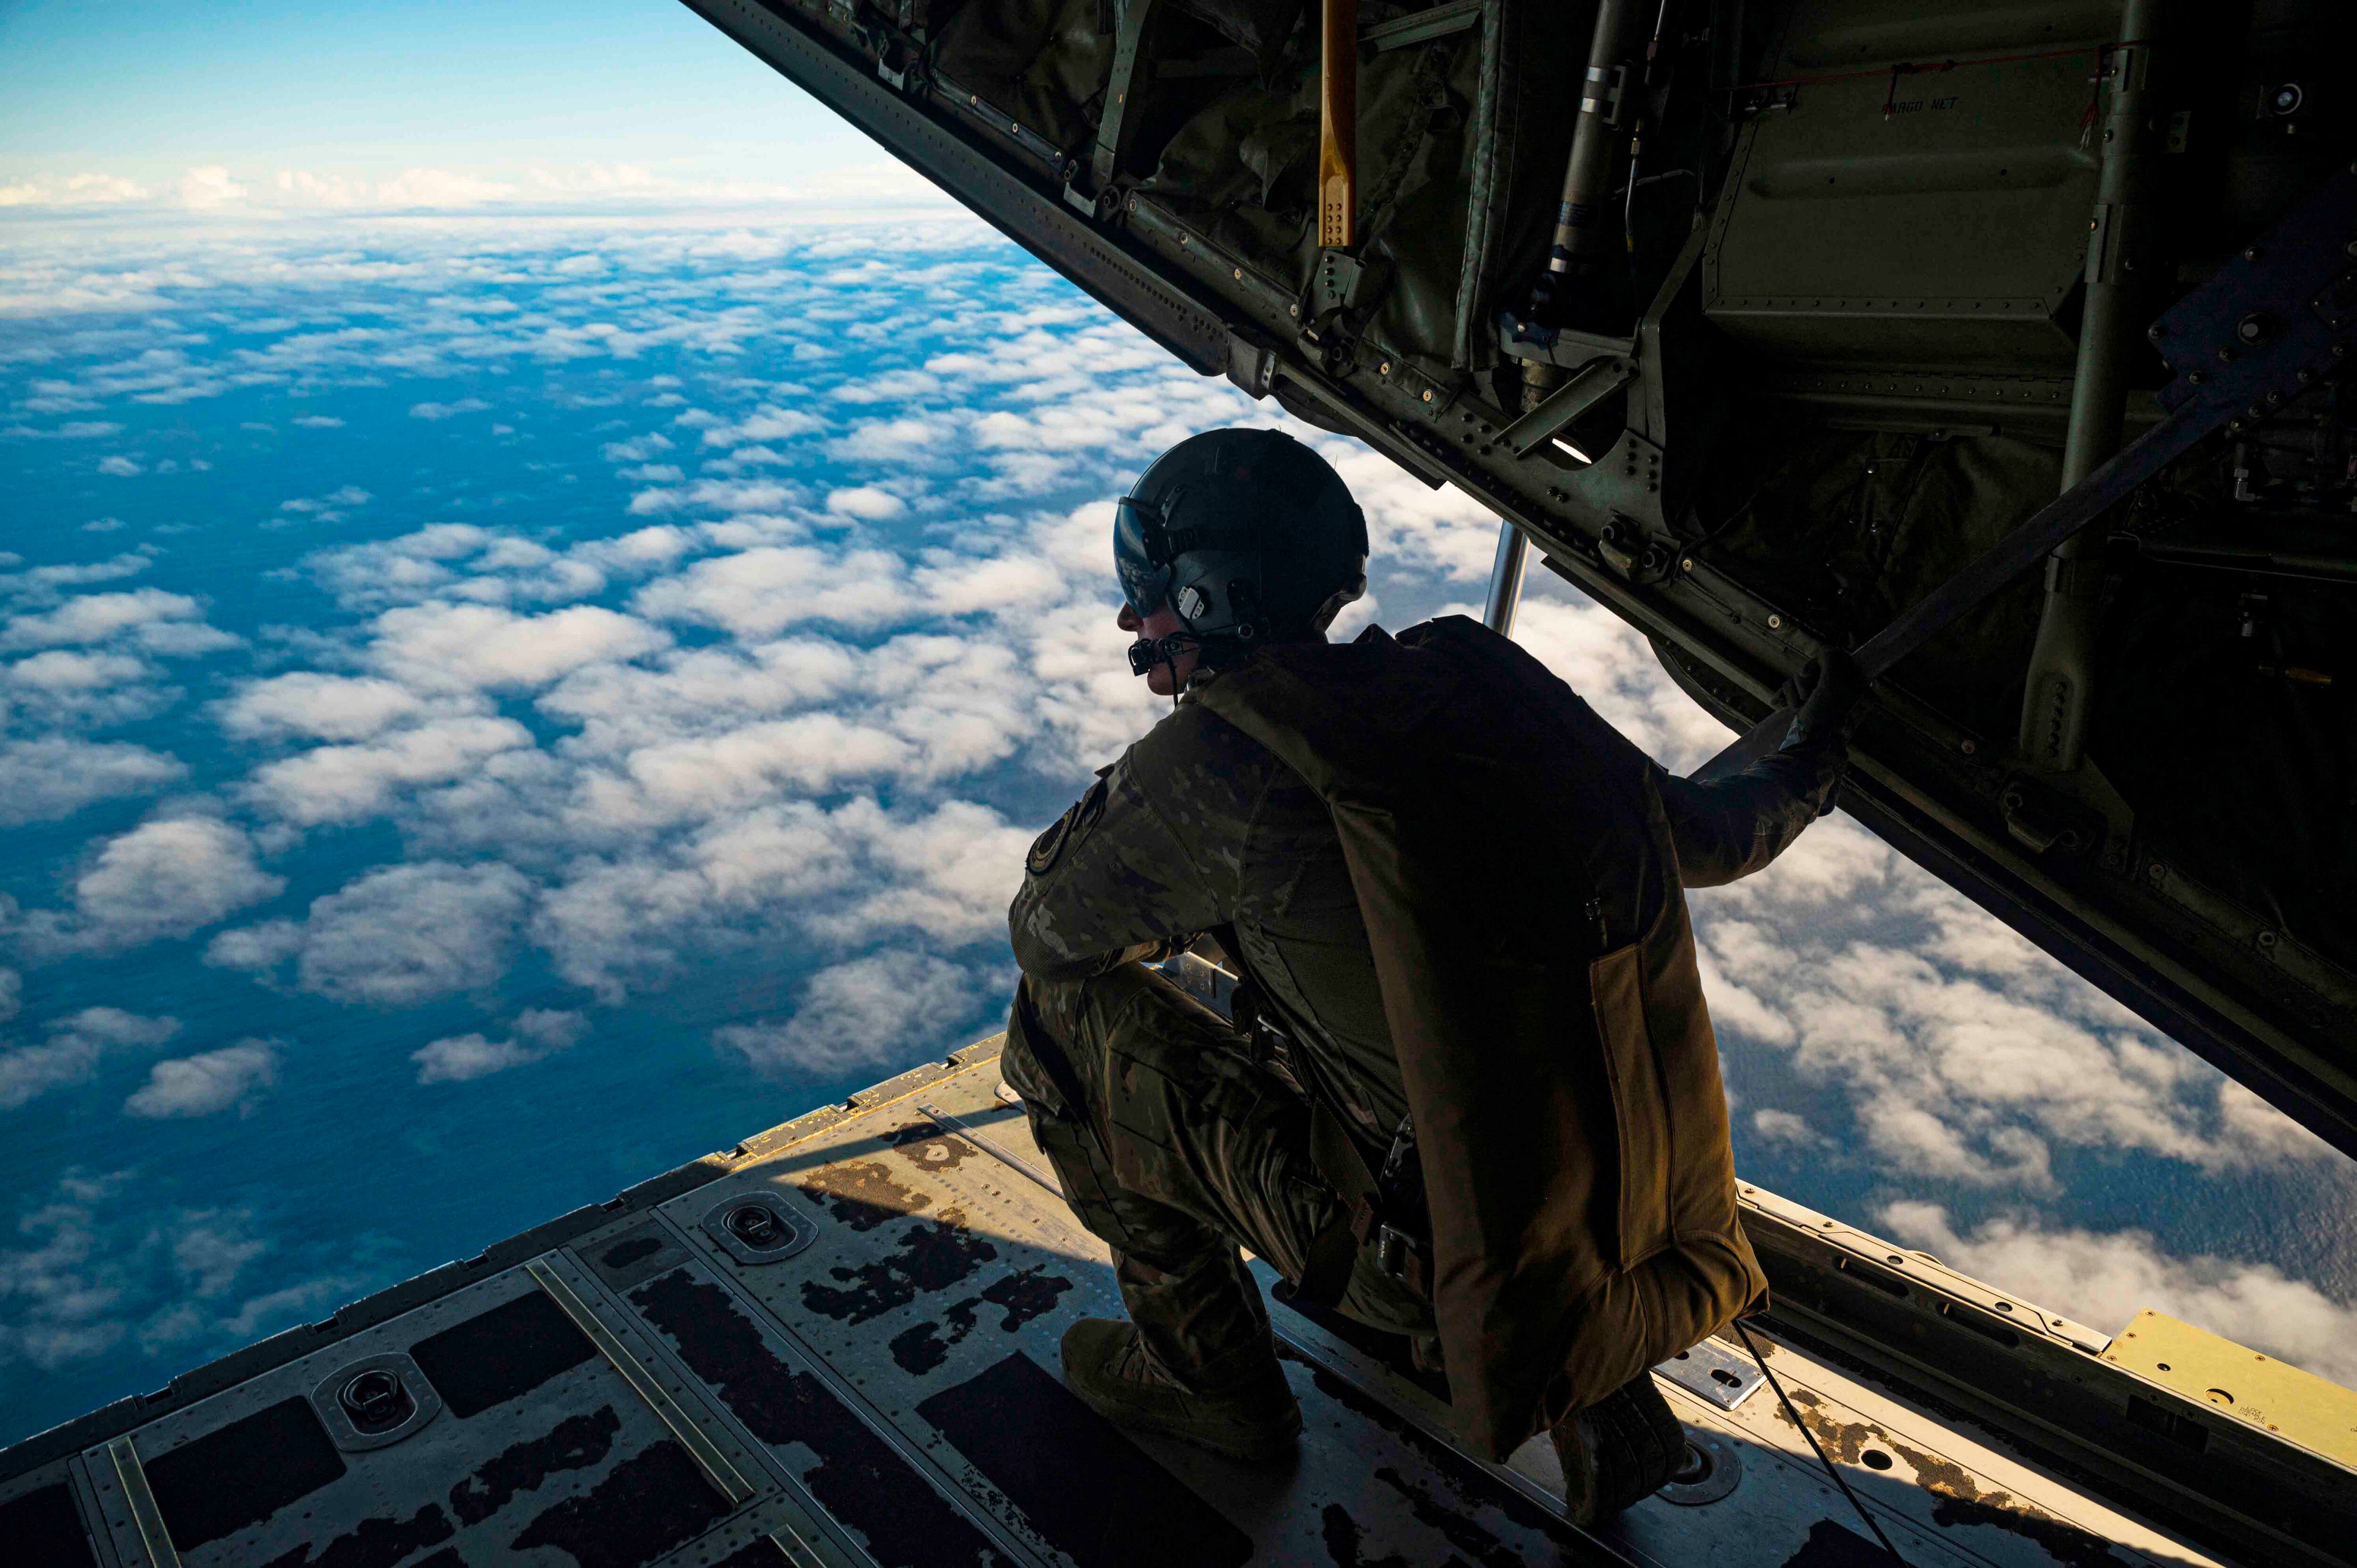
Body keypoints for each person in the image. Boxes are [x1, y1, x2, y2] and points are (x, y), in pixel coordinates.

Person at [1001, 427, 1862, 1522]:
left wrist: (1192, 891)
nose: (1135, 623)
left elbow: (1050, 935)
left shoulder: (1219, 764)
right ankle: (1572, 1353)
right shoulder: (1477, 679)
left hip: (1419, 1251)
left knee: (1061, 1021)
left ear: (1213, 600)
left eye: (1152, 596)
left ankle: (1205, 1380)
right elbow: (1711, 834)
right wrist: (1817, 745)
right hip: (1600, 1224)